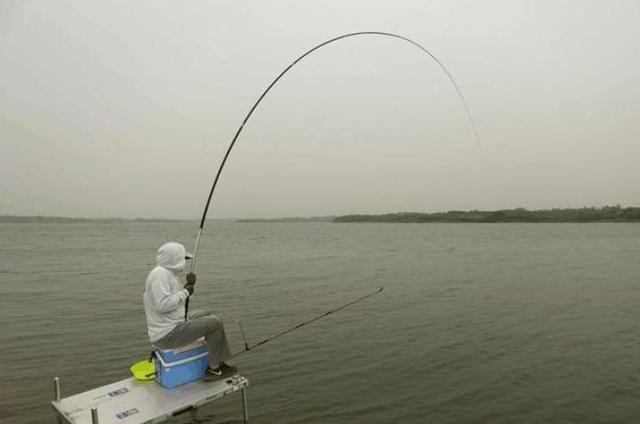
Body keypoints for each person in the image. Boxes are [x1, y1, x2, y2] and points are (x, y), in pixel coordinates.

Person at [143, 241, 237, 380]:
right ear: (174, 260)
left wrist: (190, 286)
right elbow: (162, 306)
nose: (185, 262)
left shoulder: (169, 274)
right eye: (183, 259)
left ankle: (218, 358)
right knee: (214, 323)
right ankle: (214, 369)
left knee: (208, 314)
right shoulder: (160, 275)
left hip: (175, 322)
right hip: (167, 334)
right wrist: (185, 291)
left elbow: (180, 301)